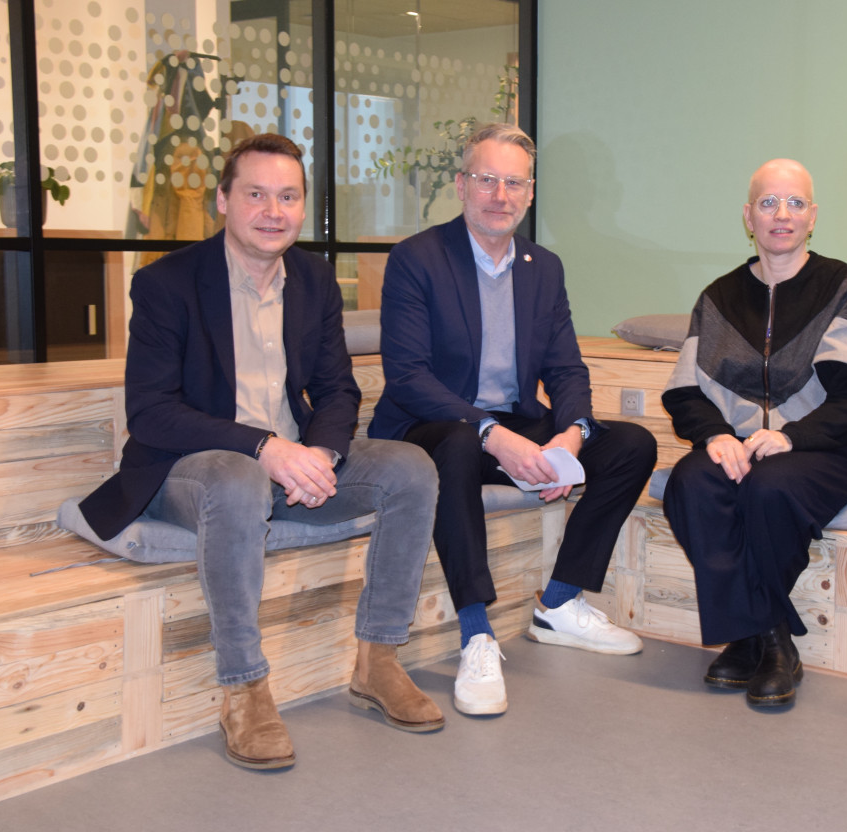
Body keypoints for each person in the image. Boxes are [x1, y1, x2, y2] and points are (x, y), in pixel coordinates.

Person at [76, 134, 443, 771]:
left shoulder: (313, 279)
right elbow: (153, 412)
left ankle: (378, 659)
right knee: (239, 479)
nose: (272, 210)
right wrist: (265, 447)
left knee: (411, 468)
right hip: (190, 471)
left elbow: (335, 388)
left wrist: (322, 456)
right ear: (222, 200)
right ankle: (244, 690)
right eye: (255, 194)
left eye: (288, 196)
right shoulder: (167, 284)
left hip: (288, 461)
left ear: (303, 208)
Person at [368, 123, 658, 717]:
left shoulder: (542, 267)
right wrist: (491, 435)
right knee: (454, 443)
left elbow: (568, 368)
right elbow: (408, 377)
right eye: (487, 180)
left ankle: (559, 603)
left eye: (514, 183)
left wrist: (571, 435)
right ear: (461, 185)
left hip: (512, 425)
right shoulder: (417, 259)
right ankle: (476, 633)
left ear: (529, 194)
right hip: (433, 428)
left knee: (631, 444)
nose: (500, 195)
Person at [660, 159, 847, 707]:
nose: (781, 214)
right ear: (748, 216)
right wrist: (715, 435)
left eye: (794, 203)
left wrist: (790, 436)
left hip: (828, 449)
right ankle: (768, 638)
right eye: (768, 203)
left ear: (813, 217)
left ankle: (751, 636)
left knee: (769, 487)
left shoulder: (845, 288)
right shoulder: (718, 297)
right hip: (739, 446)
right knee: (690, 482)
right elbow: (683, 391)